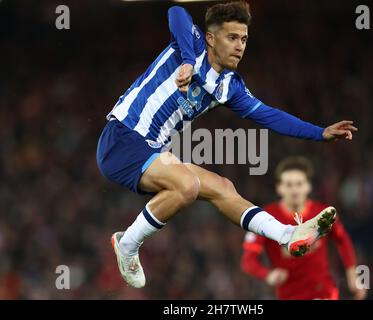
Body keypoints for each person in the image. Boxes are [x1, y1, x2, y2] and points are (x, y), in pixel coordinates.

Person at [96, 1, 357, 288]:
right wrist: (186, 60)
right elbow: (176, 13)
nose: (240, 46)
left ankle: (288, 235)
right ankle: (128, 245)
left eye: (244, 39)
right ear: (211, 38)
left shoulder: (229, 86)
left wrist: (320, 133)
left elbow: (271, 117)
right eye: (232, 37)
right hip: (122, 137)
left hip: (152, 149)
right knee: (187, 186)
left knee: (223, 187)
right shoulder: (192, 47)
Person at [241, 157, 367, 300]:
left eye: (299, 184)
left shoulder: (323, 213)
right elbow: (248, 261)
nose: (294, 190)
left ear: (308, 186)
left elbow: (342, 239)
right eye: (289, 185)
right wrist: (268, 275)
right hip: (289, 295)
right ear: (279, 188)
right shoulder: (265, 219)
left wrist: (352, 273)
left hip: (323, 292)